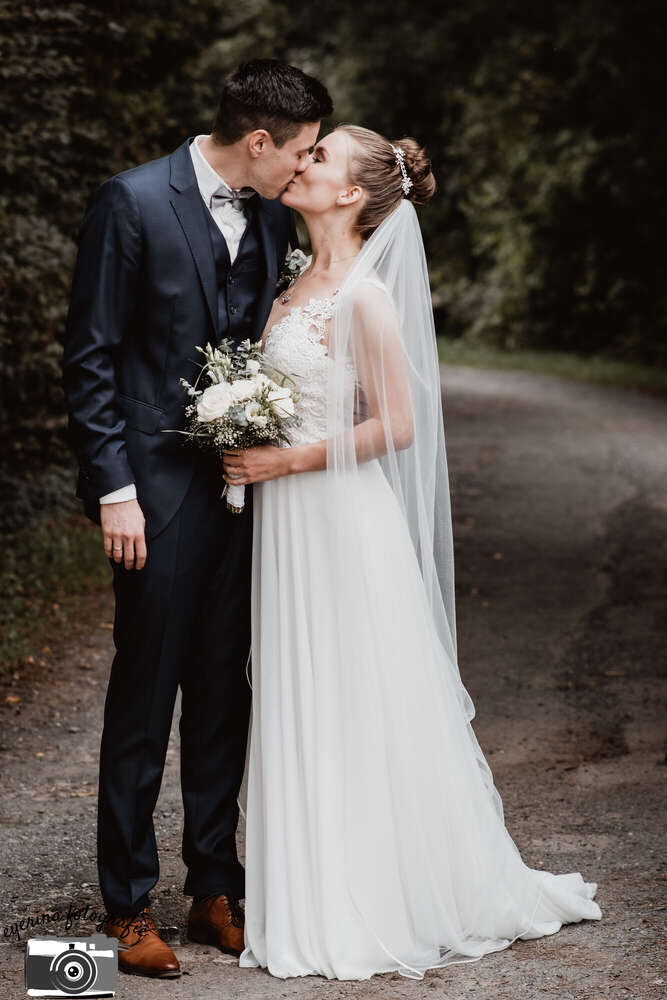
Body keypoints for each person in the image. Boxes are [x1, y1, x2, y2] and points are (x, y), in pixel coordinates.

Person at [222, 125, 603, 981]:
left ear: (352, 193)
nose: (301, 161)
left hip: (336, 515)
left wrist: (283, 460)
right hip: (288, 522)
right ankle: (307, 890)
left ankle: (374, 897)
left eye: (320, 156)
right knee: (301, 684)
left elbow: (397, 426)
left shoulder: (364, 296)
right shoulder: (292, 278)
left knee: (354, 693)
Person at [61, 59, 333, 979]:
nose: (302, 168)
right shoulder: (132, 201)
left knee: (226, 691)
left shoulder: (271, 216)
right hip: (153, 494)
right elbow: (91, 357)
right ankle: (125, 906)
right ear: (258, 141)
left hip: (246, 496)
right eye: (297, 152)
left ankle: (214, 882)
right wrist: (114, 489)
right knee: (145, 696)